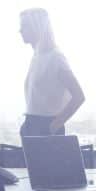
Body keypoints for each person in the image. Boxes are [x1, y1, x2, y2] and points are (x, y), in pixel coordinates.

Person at [18, 8, 85, 140]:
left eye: (25, 26)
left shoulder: (55, 58)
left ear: (36, 27)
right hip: (31, 125)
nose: (20, 31)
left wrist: (52, 127)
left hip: (45, 128)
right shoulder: (37, 57)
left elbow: (79, 96)